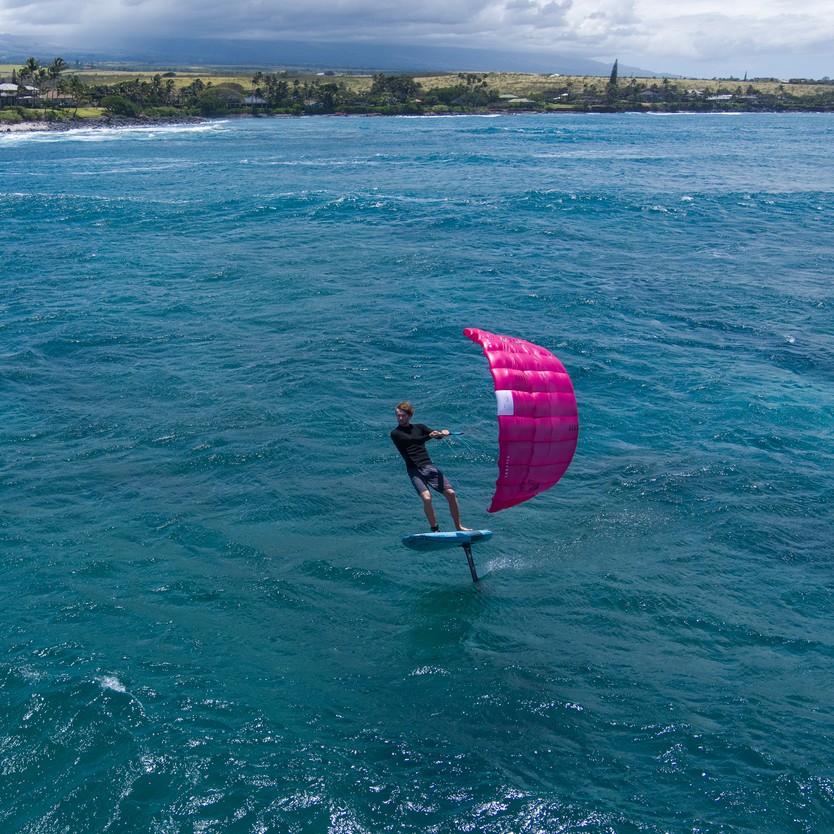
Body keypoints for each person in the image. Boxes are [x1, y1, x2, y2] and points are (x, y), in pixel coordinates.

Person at [391, 401, 470, 532]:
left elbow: (436, 435)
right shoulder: (395, 433)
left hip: (429, 466)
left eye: (403, 415)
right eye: (398, 415)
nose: (400, 418)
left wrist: (442, 433)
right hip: (414, 470)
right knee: (427, 498)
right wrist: (429, 436)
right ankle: (435, 529)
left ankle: (459, 527)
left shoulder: (420, 427)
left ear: (409, 416)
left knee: (451, 494)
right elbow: (411, 441)